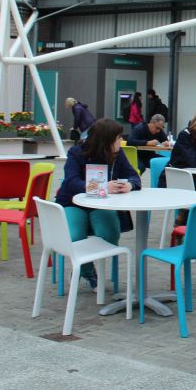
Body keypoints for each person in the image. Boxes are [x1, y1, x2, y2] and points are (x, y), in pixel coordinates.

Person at [54, 118, 141, 290]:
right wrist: (102, 187)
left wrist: (129, 185)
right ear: (106, 140)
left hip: (102, 205)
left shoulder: (117, 154)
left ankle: (84, 268)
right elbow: (72, 183)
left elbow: (134, 176)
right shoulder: (77, 153)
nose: (120, 141)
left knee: (109, 234)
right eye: (117, 138)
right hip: (74, 203)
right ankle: (86, 270)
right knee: (75, 237)